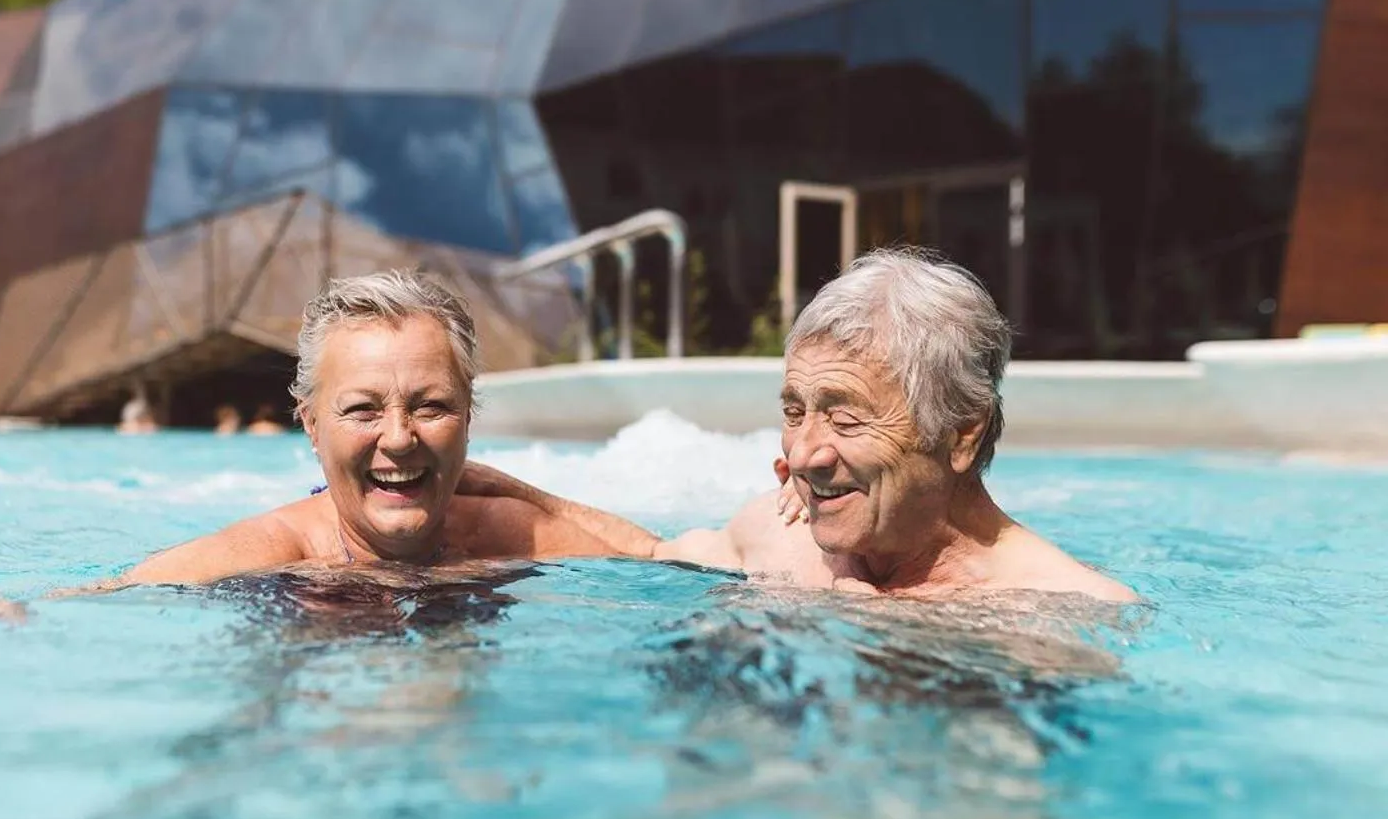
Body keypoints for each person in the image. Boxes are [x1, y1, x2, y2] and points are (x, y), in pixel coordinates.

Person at [0, 270, 632, 630]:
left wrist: (531, 497)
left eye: (431, 407)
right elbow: (108, 597)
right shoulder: (269, 552)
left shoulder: (509, 532)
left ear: (470, 417)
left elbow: (674, 560)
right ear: (309, 424)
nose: (398, 438)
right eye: (361, 409)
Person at [465, 248, 1137, 602]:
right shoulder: (781, 531)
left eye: (843, 417)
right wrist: (488, 491)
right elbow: (645, 555)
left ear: (961, 432)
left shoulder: (1058, 612)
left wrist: (867, 626)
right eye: (794, 412)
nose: (805, 454)